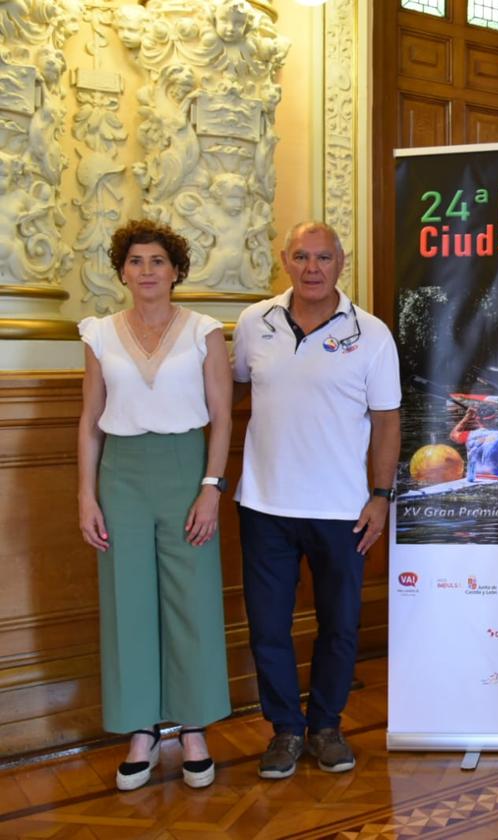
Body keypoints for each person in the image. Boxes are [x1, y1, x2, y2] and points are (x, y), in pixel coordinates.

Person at [233, 221, 401, 780]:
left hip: (343, 511)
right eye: (301, 256)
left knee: (341, 626)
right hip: (264, 507)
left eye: (323, 257)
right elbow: (230, 385)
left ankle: (326, 726)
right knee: (269, 628)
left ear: (341, 263)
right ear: (285, 259)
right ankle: (284, 730)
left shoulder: (372, 334)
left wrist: (381, 496)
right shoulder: (253, 324)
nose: (312, 267)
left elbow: (386, 421)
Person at [77, 219, 232, 791]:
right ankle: (140, 729)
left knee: (190, 597)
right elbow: (90, 421)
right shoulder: (99, 333)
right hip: (121, 474)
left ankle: (193, 728)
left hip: (186, 470)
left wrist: (211, 487)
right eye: (136, 261)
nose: (147, 271)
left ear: (176, 271)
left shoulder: (204, 331)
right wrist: (85, 494)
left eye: (158, 261)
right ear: (122, 271)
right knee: (128, 602)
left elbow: (221, 416)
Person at [449, 406, 498, 480]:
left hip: (473, 476)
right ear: (494, 418)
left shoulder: (469, 435)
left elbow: (453, 435)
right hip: (494, 477)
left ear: (477, 419)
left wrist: (467, 416)